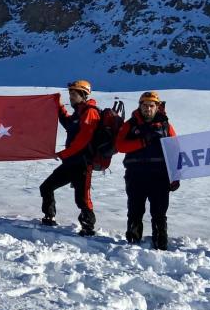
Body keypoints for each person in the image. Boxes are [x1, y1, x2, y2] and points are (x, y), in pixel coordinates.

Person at [114, 91, 178, 249]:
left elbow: (175, 151)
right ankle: (132, 242)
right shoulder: (130, 124)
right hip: (135, 175)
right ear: (140, 106)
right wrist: (142, 142)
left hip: (160, 176)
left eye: (151, 106)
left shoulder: (165, 126)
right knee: (135, 210)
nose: (148, 109)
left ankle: (160, 244)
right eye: (145, 105)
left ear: (157, 107)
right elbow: (120, 146)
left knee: (159, 213)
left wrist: (175, 177)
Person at [41, 79, 100, 235]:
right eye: (70, 94)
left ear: (83, 94)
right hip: (71, 163)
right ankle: (49, 217)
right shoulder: (78, 113)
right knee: (46, 187)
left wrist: (62, 154)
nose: (71, 97)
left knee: (82, 199)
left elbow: (83, 139)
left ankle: (88, 227)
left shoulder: (90, 112)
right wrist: (58, 105)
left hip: (82, 164)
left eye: (74, 94)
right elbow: (68, 123)